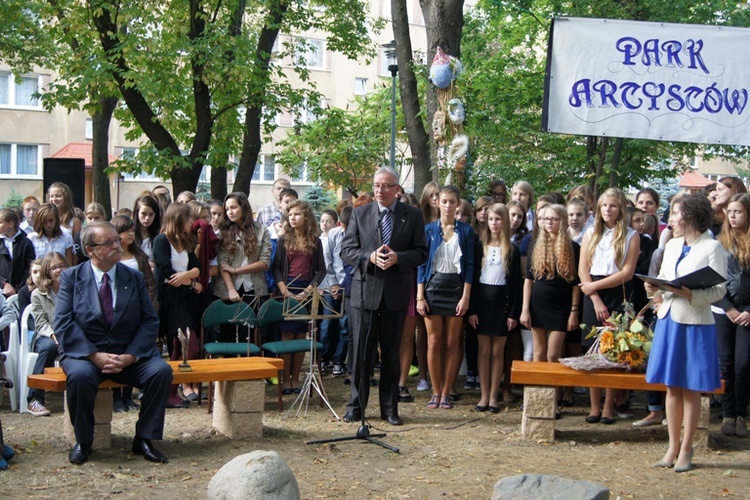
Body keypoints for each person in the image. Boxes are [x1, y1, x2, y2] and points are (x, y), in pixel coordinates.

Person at [54, 221, 172, 464]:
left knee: (160, 371)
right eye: (108, 243)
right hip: (86, 355)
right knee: (80, 377)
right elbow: (63, 323)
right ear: (90, 250)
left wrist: (131, 356)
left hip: (126, 355)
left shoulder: (134, 277)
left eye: (117, 241)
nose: (116, 246)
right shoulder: (71, 278)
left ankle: (144, 439)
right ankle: (84, 440)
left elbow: (150, 321)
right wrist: (93, 355)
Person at [645, 194, 726, 472]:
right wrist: (654, 291)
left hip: (694, 323)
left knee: (690, 388)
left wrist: (691, 293)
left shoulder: (712, 247)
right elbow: (665, 281)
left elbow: (719, 290)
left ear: (690, 216)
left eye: (676, 214)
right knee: (671, 386)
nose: (671, 219)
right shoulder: (672, 244)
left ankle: (687, 450)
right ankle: (672, 447)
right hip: (669, 320)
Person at [341, 167, 427, 426]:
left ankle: (389, 408)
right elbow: (347, 250)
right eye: (377, 185)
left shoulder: (412, 216)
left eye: (386, 186)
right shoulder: (360, 213)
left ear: (397, 189)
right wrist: (370, 257)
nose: (380, 190)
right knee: (361, 355)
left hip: (395, 294)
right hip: (364, 293)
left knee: (390, 354)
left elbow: (422, 252)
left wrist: (399, 258)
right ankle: (356, 405)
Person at [579, 187, 639, 425]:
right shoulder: (590, 233)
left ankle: (608, 407)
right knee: (593, 351)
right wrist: (593, 294)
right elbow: (583, 269)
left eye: (613, 205)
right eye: (604, 205)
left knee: (614, 351)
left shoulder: (630, 235)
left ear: (620, 208)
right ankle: (594, 406)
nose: (608, 210)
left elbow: (627, 272)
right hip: (591, 293)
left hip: (617, 292)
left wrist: (597, 287)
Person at [417, 185, 474, 410]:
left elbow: (469, 266)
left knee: (452, 343)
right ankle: (435, 391)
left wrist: (466, 296)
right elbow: (422, 264)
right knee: (433, 341)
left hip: (456, 290)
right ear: (437, 203)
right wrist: (420, 296)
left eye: (452, 201)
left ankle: (447, 392)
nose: (448, 206)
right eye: (444, 201)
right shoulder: (428, 230)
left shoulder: (466, 231)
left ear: (458, 204)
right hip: (433, 289)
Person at [520, 204, 580, 418]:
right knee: (538, 353)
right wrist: (525, 309)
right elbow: (528, 280)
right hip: (538, 303)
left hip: (561, 306)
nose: (549, 223)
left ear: (562, 221)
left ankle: (553, 402)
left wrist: (574, 311)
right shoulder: (535, 244)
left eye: (553, 219)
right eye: (545, 219)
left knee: (554, 354)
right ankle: (537, 402)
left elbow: (575, 284)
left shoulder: (573, 247)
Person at [468, 203, 521, 412]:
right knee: (484, 350)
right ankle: (483, 395)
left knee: (498, 351)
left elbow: (516, 284)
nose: (494, 223)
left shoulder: (512, 250)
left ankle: (493, 397)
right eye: (491, 219)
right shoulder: (479, 246)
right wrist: (471, 309)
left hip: (503, 303)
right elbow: (471, 280)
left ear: (505, 221)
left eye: (498, 219)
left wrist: (513, 312)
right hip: (482, 303)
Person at [272, 200, 325, 395]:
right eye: (290, 215)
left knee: (301, 336)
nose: (292, 218)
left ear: (306, 217)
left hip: (306, 291)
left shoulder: (315, 241)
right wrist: (284, 290)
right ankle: (285, 380)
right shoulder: (284, 239)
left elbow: (321, 270)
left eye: (297, 214)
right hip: (287, 289)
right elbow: (276, 267)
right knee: (287, 336)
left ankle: (296, 379)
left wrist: (308, 291)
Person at [153, 203, 203, 406]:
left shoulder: (186, 240)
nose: (192, 222)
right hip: (172, 298)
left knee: (179, 347)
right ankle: (170, 391)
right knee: (187, 345)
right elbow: (167, 272)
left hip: (187, 297)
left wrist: (189, 278)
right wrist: (191, 279)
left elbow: (197, 268)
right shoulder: (161, 240)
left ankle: (171, 392)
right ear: (178, 219)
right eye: (189, 218)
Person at [111, 215, 158, 413]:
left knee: (132, 351)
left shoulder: (140, 255)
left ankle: (127, 396)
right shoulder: (111, 257)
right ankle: (115, 397)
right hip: (115, 312)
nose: (131, 233)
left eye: (132, 230)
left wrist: (144, 305)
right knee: (116, 352)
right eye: (126, 230)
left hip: (136, 311)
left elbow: (149, 283)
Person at [714, 193, 750, 438]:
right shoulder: (719, 243)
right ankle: (727, 414)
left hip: (747, 313)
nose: (733, 215)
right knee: (725, 364)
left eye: (738, 211)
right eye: (730, 211)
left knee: (744, 365)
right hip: (723, 310)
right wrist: (729, 308)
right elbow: (713, 282)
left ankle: (740, 414)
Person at [26, 252, 69, 416]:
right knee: (50, 347)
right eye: (54, 267)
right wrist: (53, 335)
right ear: (47, 271)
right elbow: (40, 323)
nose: (59, 270)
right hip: (46, 336)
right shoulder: (38, 294)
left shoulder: (73, 289)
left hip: (69, 334)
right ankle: (35, 399)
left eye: (62, 266)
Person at [214, 192, 271, 305]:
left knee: (251, 322)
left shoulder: (261, 230)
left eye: (234, 207)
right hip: (228, 288)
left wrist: (236, 270)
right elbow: (222, 263)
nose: (230, 212)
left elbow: (265, 263)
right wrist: (231, 289)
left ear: (243, 207)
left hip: (254, 288)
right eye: (227, 209)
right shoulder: (223, 232)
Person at [0, 208, 36, 297]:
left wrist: (19, 288)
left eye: (0, 222)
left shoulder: (26, 243)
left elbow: (29, 267)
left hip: (21, 291)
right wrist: (4, 284)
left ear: (11, 224)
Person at [133, 194, 162, 264]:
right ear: (137, 213)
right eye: (143, 214)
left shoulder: (159, 236)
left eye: (151, 214)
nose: (147, 218)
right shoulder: (130, 234)